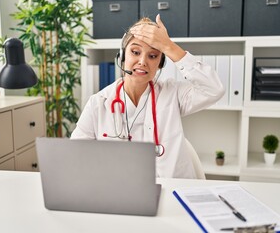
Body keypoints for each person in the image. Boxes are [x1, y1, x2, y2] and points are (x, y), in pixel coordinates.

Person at [71, 14, 225, 179]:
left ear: (160, 64)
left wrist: (169, 46)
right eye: (135, 52)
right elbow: (75, 156)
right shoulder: (98, 104)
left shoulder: (172, 94)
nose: (142, 61)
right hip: (121, 193)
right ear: (122, 56)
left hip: (172, 191)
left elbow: (214, 89)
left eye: (153, 56)